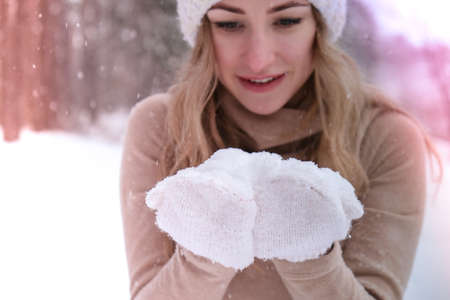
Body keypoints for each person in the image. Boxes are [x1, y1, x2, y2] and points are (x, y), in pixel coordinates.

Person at [119, 0, 443, 299]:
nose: (259, 59)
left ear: (318, 26)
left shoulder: (384, 135)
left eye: (286, 20)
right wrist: (206, 249)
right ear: (204, 32)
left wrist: (310, 255)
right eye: (230, 24)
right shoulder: (161, 126)